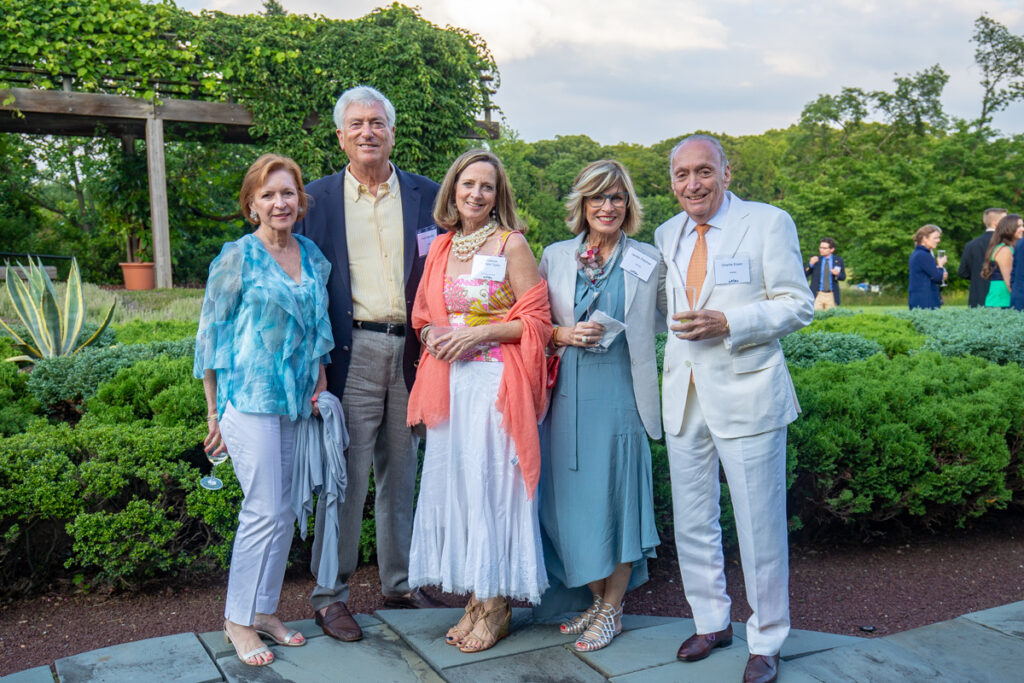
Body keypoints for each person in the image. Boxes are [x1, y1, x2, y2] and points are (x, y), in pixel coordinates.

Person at [654, 134, 813, 683]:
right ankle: (710, 620)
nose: (692, 184)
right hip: (684, 393)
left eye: (703, 172)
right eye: (681, 175)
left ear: (726, 172)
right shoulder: (665, 232)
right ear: (671, 181)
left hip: (748, 392)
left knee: (758, 523)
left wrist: (732, 323)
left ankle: (767, 638)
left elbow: (798, 304)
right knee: (694, 519)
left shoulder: (769, 222)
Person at [293, 85, 443, 643]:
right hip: (349, 351)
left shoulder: (430, 197)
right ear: (340, 136)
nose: (367, 132)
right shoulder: (316, 200)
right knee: (346, 478)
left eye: (376, 122)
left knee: (402, 474)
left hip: (414, 351)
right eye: (355, 124)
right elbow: (298, 284)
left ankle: (400, 584)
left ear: (392, 130)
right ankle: (330, 595)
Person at [406, 149, 552, 654]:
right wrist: (434, 339)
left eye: (486, 186)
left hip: (494, 385)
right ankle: (475, 596)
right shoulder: (442, 247)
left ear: (498, 195)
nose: (476, 193)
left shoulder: (512, 244)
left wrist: (478, 334)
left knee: (491, 485)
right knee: (461, 488)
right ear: (453, 189)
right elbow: (424, 318)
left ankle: (496, 606)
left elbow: (538, 323)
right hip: (450, 388)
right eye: (468, 184)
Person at [194, 154, 334, 667]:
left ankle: (264, 610)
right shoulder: (236, 257)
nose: (281, 202)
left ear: (301, 200)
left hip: (294, 401)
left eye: (289, 193)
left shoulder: (313, 256)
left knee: (283, 510)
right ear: (252, 203)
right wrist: (214, 416)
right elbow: (209, 339)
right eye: (269, 194)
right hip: (248, 401)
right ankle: (236, 620)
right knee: (264, 508)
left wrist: (319, 385)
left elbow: (318, 332)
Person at [537, 160, 663, 652]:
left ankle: (612, 610)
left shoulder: (649, 259)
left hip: (621, 395)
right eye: (597, 198)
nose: (607, 207)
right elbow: (534, 327)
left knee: (617, 502)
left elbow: (674, 314)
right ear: (582, 206)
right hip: (566, 394)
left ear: (628, 205)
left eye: (616, 198)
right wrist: (564, 334)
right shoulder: (555, 256)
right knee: (564, 508)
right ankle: (594, 598)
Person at [958, 208, 1007, 307]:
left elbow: (963, 272)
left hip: (977, 297)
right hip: (1001, 298)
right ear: (996, 222)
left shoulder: (971, 245)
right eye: (1005, 220)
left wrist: (978, 278)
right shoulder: (1005, 244)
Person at [981, 213, 1023, 308]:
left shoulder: (1010, 248)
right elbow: (1010, 282)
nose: (1023, 229)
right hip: (1002, 301)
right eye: (1019, 226)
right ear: (1009, 228)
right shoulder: (1005, 250)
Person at [908, 225, 947, 309]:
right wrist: (940, 265)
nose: (938, 240)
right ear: (924, 238)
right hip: (925, 301)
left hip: (919, 299)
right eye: (935, 238)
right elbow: (938, 277)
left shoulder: (917, 253)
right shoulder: (923, 255)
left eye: (939, 238)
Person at [804, 237, 845, 311]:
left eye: (824, 248)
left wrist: (837, 274)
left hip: (831, 295)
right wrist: (810, 264)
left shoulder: (838, 261)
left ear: (832, 249)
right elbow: (804, 274)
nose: (821, 250)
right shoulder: (816, 260)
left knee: (831, 317)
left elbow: (843, 277)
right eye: (820, 247)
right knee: (816, 316)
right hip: (818, 294)